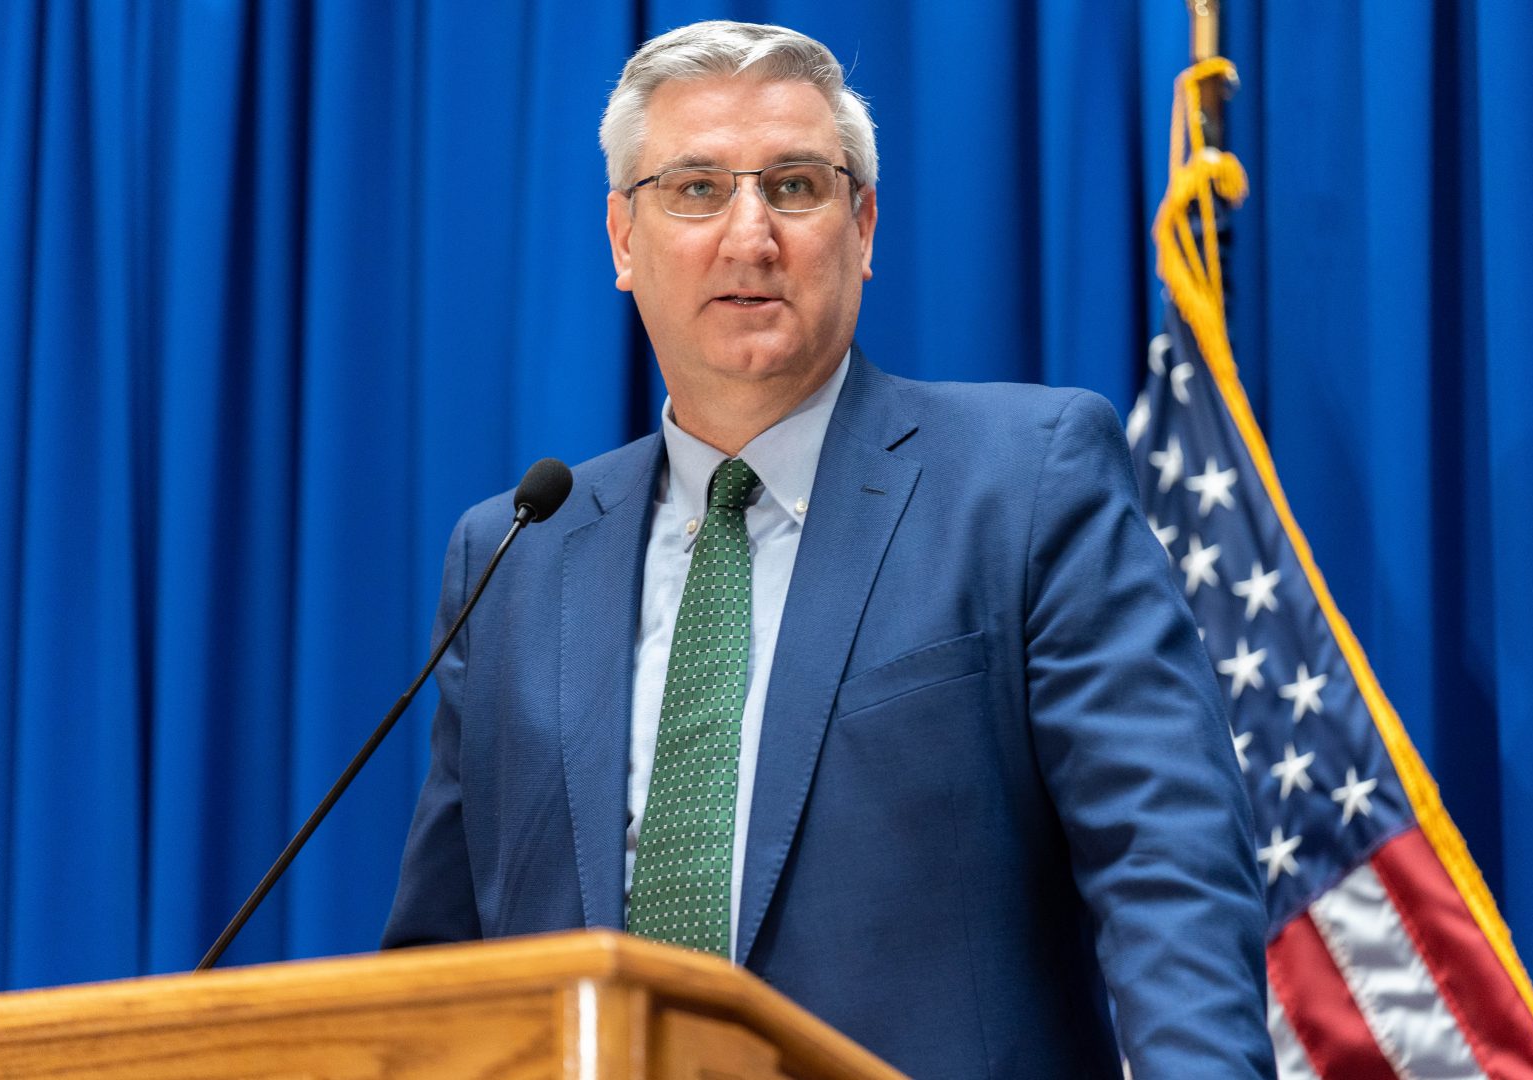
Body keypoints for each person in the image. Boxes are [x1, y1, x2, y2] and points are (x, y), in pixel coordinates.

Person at [384, 20, 1276, 1078]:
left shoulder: (1024, 481)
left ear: (863, 226)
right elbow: (442, 975)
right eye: (696, 189)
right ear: (624, 239)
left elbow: (1167, 866)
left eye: (796, 186)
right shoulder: (515, 554)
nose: (749, 235)